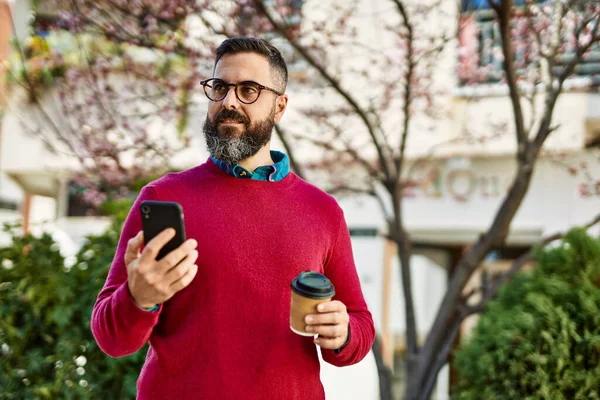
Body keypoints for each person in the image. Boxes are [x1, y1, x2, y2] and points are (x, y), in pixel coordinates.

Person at [91, 37, 375, 400]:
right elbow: (111, 338)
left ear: (279, 106)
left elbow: (360, 325)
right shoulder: (163, 198)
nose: (229, 101)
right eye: (220, 87)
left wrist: (344, 332)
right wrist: (138, 297)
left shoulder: (322, 212)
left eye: (249, 90)